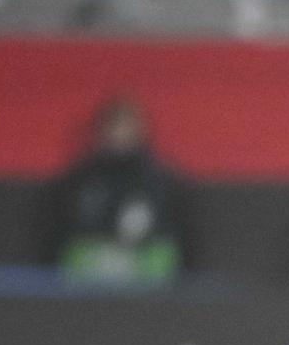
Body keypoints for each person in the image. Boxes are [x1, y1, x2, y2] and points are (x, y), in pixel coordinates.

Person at [46, 97, 188, 287]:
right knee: (78, 257)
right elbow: (66, 226)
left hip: (143, 254)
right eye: (115, 127)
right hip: (96, 252)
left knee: (160, 260)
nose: (120, 134)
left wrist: (141, 236)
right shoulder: (82, 177)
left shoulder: (160, 178)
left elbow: (173, 229)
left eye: (127, 128)